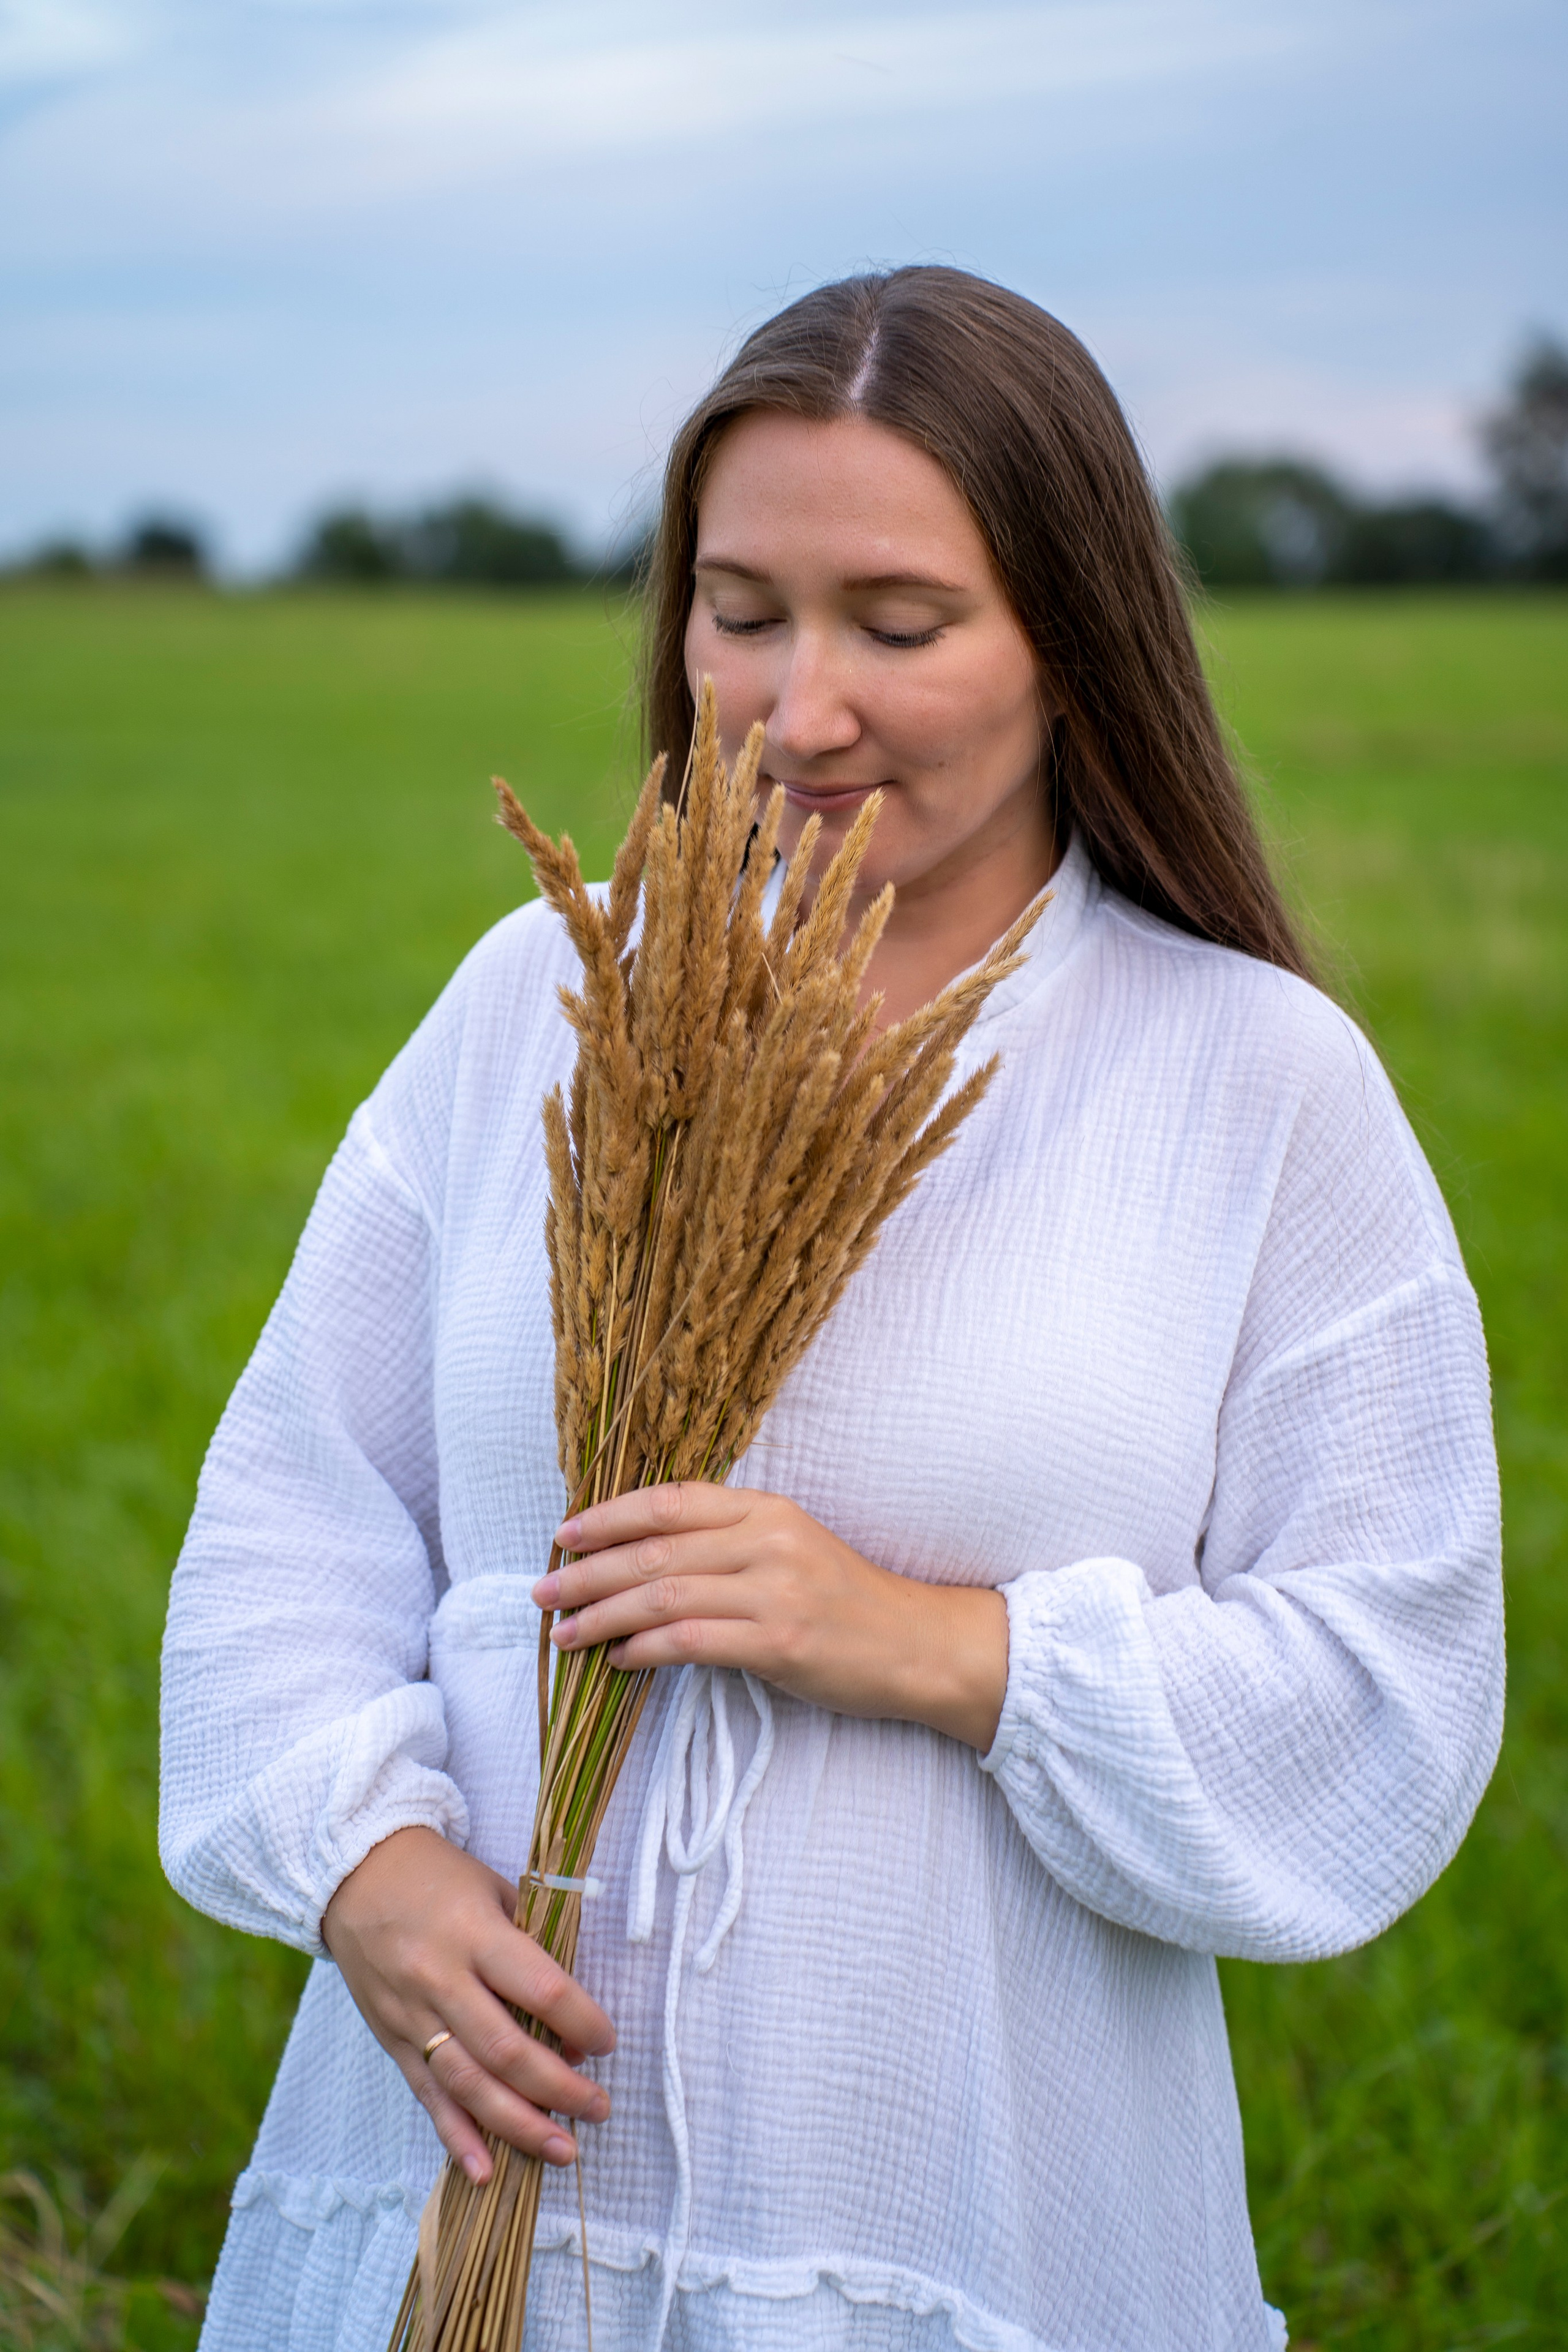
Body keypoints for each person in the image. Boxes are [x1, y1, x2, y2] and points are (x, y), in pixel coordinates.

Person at [160, 268, 1504, 2352]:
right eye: (738, 608)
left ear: (1077, 640)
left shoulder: (1252, 1084)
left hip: (955, 2214)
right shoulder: (538, 1001)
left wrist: (932, 1648)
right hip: (463, 2199)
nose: (794, 709)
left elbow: (1388, 1690)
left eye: (897, 624)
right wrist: (375, 1877)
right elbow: (291, 1517)